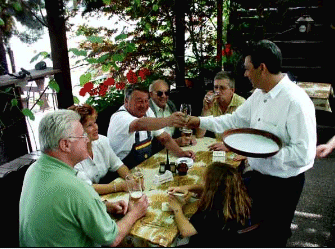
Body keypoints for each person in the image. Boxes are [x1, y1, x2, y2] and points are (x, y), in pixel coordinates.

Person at [186, 40, 317, 246]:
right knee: (251, 232)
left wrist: (261, 151)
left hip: (283, 185)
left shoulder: (296, 101)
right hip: (256, 176)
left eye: (247, 69)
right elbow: (233, 121)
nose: (245, 74)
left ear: (261, 68)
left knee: (274, 236)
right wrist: (198, 120)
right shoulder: (258, 95)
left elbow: (305, 154)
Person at [19, 110, 149, 247]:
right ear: (65, 145)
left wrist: (104, 206)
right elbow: (112, 238)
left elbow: (67, 209)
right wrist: (135, 213)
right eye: (82, 136)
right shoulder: (77, 187)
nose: (87, 139)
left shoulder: (33, 169)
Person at [168, 162, 258, 248]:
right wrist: (188, 188)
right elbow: (207, 188)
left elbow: (186, 231)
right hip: (229, 239)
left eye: (205, 181)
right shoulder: (238, 192)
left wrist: (177, 209)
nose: (203, 183)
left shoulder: (213, 209)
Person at [107, 84, 195, 169]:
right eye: (140, 101)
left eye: (146, 101)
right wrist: (169, 120)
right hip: (123, 173)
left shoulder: (147, 111)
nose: (144, 105)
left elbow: (164, 138)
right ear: (126, 101)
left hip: (144, 167)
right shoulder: (119, 117)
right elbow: (140, 124)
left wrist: (181, 153)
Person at [68, 104, 131, 195]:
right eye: (90, 125)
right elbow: (87, 187)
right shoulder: (72, 156)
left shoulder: (102, 141)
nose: (96, 127)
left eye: (95, 122)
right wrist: (120, 186)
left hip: (107, 194)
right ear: (77, 130)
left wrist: (131, 179)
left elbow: (118, 165)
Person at [196, 71, 246, 151]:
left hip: (236, 149)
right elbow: (199, 135)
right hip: (218, 147)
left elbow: (246, 137)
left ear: (232, 90)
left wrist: (229, 146)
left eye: (222, 88)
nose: (218, 91)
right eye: (216, 87)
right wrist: (206, 109)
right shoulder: (212, 102)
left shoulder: (242, 104)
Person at [149, 79, 196, 148]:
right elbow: (150, 142)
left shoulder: (171, 105)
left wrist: (184, 136)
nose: (164, 96)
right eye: (160, 93)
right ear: (151, 94)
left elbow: (177, 129)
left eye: (166, 93)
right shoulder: (146, 110)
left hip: (174, 149)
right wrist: (175, 142)